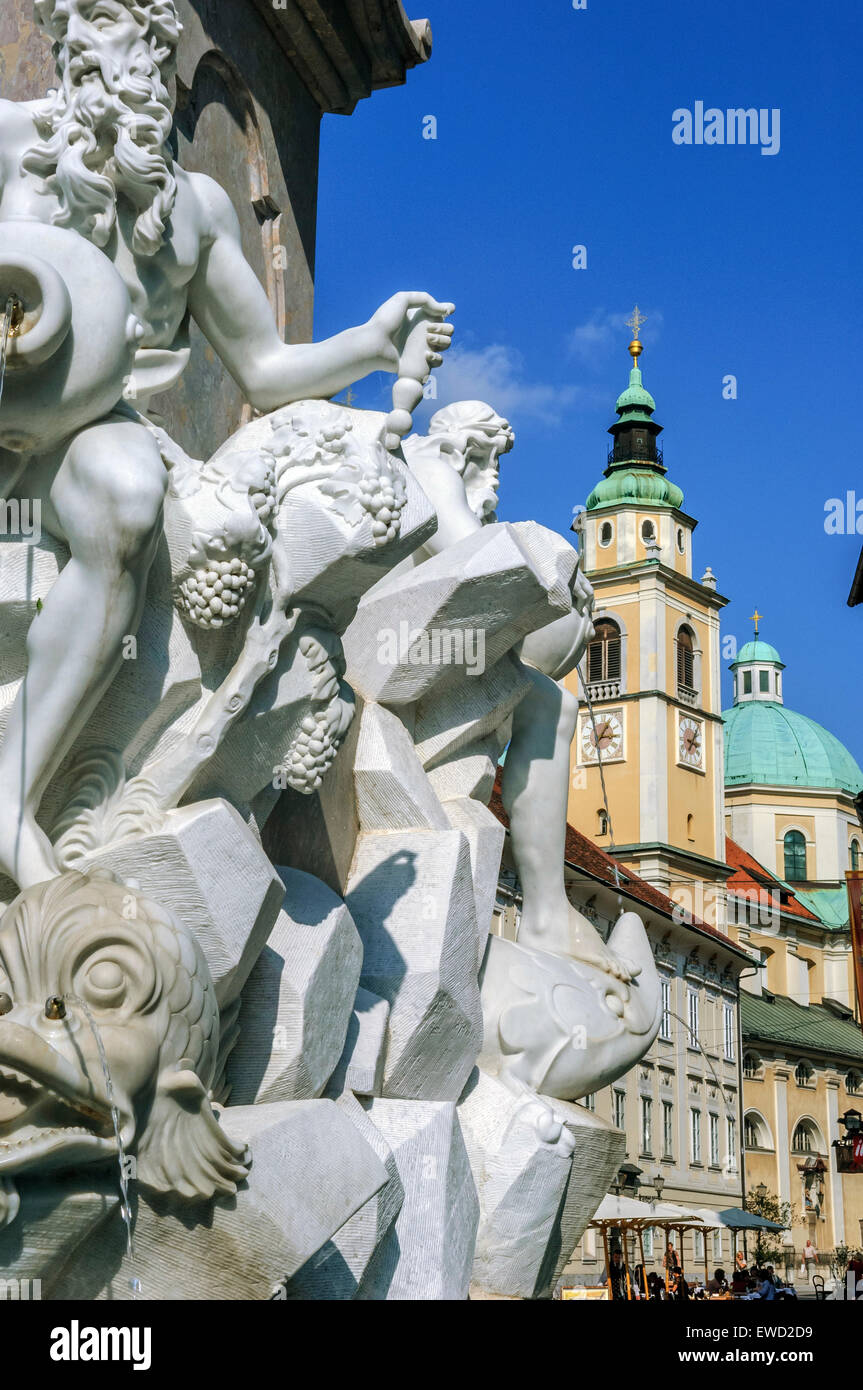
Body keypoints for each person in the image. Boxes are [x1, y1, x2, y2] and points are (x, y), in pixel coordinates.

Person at [0, 0, 455, 889]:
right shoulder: (13, 144)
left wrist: (370, 339)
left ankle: (8, 790)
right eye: (94, 60)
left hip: (99, 431)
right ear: (63, 51)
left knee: (127, 495)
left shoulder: (197, 210)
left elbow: (264, 367)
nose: (118, 85)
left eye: (139, 62)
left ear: (165, 71)